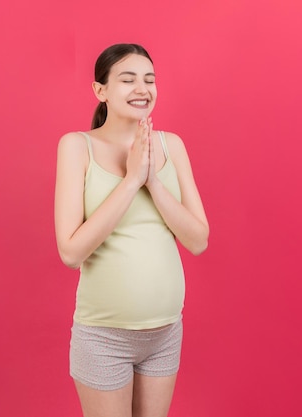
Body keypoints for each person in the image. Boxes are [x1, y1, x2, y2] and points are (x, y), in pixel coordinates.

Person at [54, 43, 209, 417]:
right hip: (104, 338)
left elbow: (198, 239)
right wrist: (131, 180)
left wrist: (152, 180)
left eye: (149, 79)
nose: (143, 88)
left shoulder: (171, 145)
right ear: (101, 91)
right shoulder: (78, 146)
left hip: (165, 333)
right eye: (128, 79)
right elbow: (71, 253)